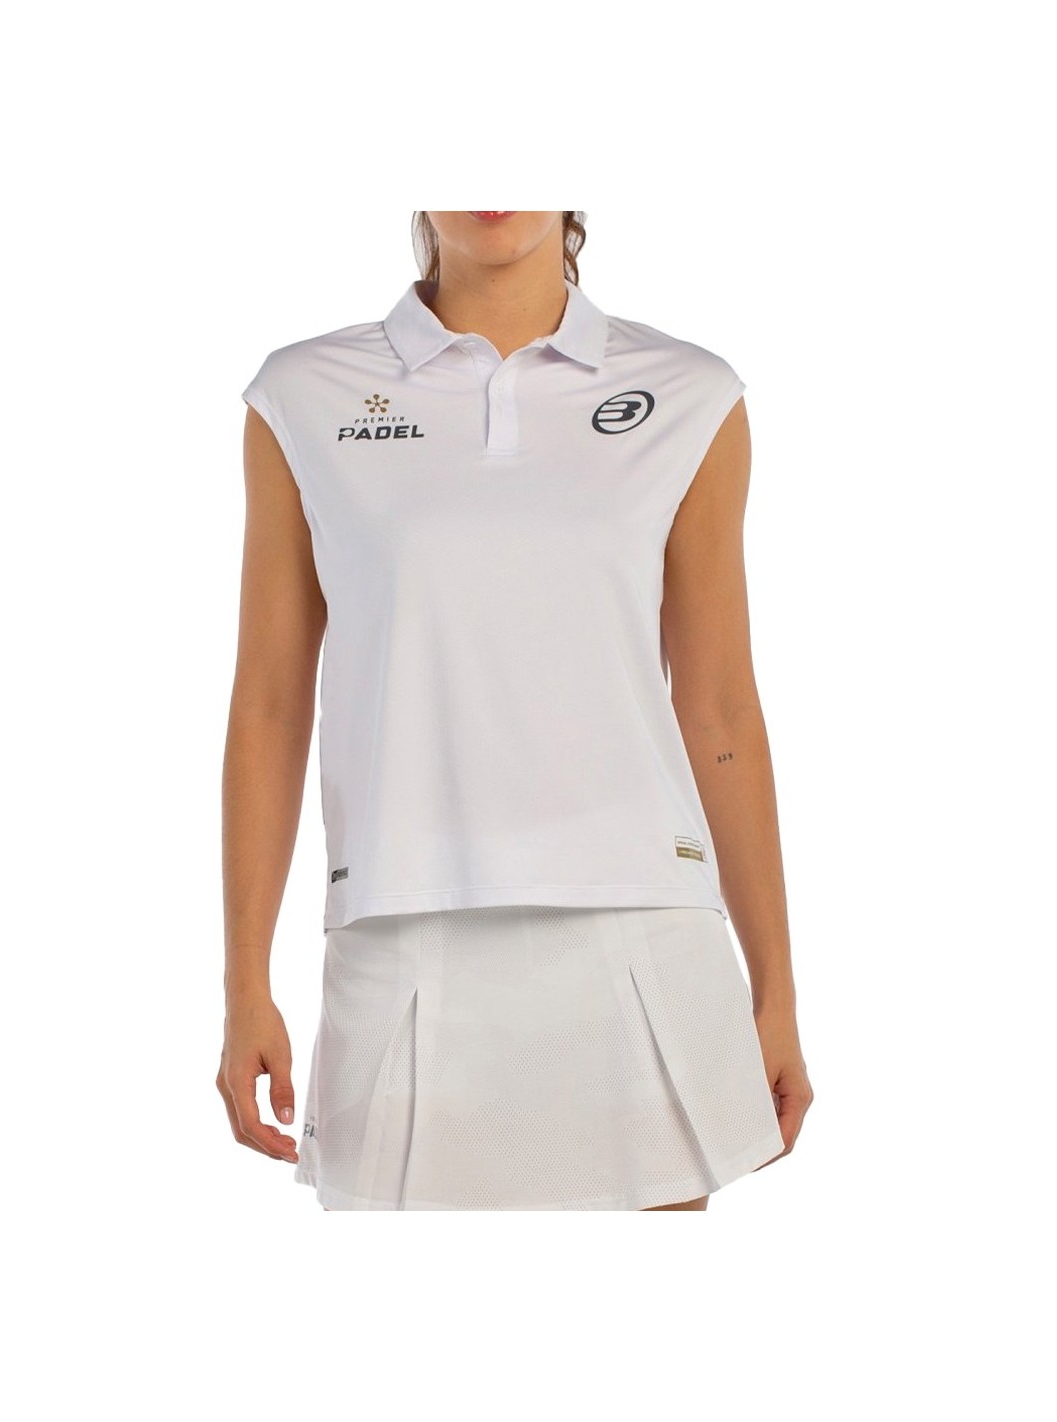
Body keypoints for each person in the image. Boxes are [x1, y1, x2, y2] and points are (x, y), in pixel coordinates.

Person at [217, 211, 813, 1211]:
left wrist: (776, 988)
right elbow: (270, 705)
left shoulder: (689, 393)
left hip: (641, 935)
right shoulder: (302, 395)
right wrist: (244, 985)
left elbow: (717, 709)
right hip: (400, 934)